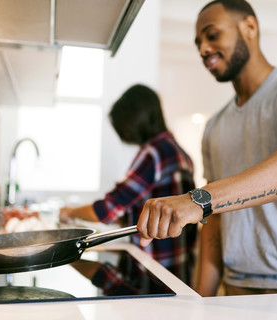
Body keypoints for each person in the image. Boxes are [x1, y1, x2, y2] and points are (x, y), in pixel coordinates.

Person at [136, 0, 277, 296]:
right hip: (240, 285)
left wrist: (198, 199)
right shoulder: (214, 126)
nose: (202, 49)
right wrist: (199, 302)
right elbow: (214, 220)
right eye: (198, 43)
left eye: (212, 35)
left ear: (249, 27)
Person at [60, 84, 197, 286]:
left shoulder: (154, 153)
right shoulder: (180, 153)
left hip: (152, 273)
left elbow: (107, 210)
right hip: (178, 272)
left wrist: (69, 212)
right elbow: (148, 214)